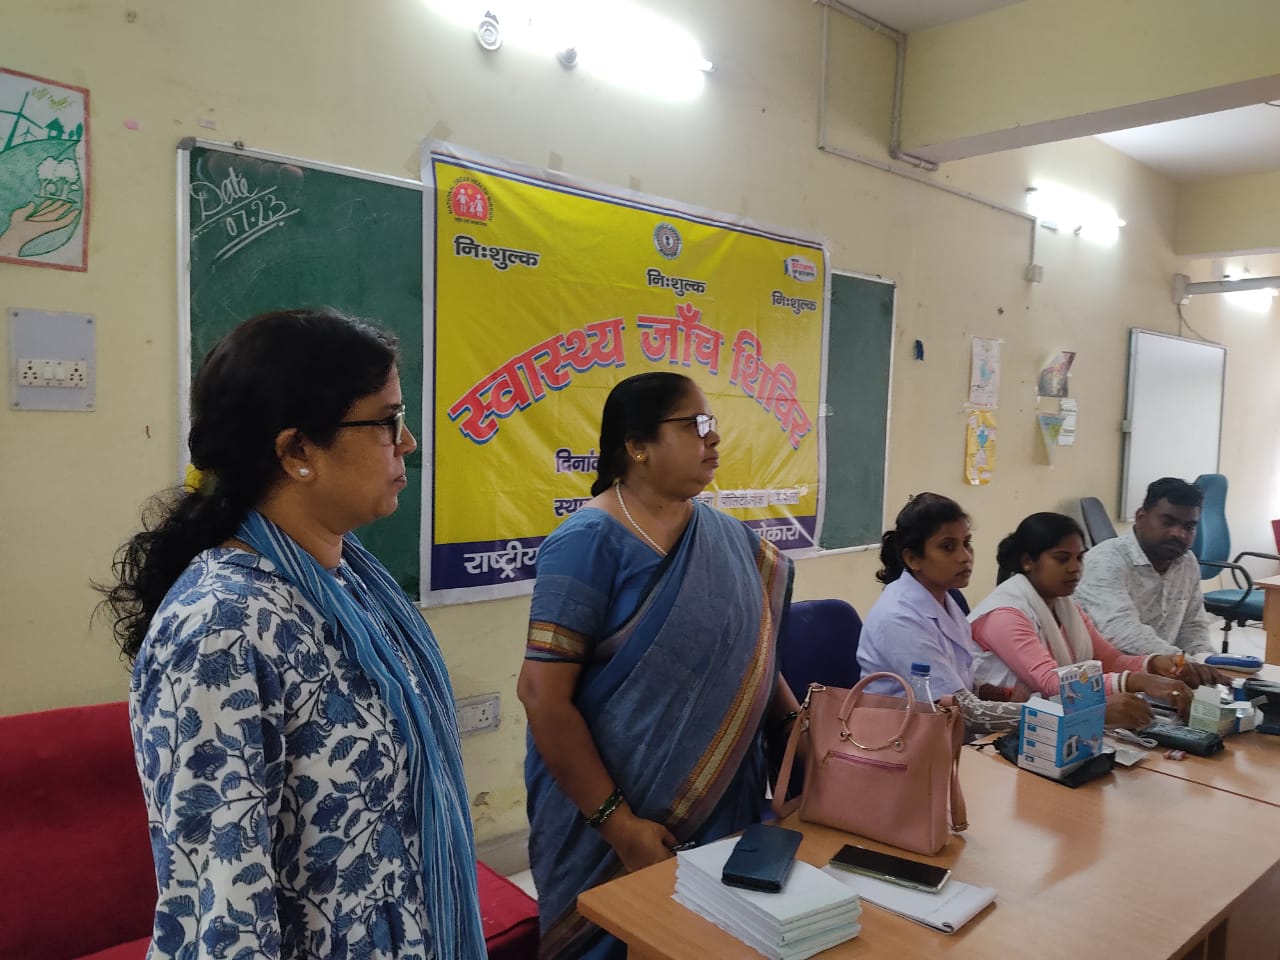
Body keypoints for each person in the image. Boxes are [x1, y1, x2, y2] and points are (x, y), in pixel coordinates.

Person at [98, 310, 485, 960]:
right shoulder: (223, 626)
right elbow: (223, 913)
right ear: (297, 451)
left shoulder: (347, 580)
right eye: (387, 421)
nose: (409, 442)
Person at [517, 372, 798, 960]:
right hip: (614, 821)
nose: (713, 438)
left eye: (712, 424)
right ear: (637, 446)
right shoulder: (587, 541)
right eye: (695, 425)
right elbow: (543, 695)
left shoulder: (730, 541)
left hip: (725, 797)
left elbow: (754, 659)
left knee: (715, 941)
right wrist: (619, 826)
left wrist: (801, 746)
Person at [969, 512, 1202, 730]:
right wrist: (1134, 681)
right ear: (1028, 561)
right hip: (999, 735)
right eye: (1062, 559)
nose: (1075, 568)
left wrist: (1154, 664)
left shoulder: (1066, 606)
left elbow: (1109, 659)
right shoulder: (1004, 614)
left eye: (1079, 558)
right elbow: (1050, 682)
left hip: (1052, 725)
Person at [856, 493, 1024, 734]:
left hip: (937, 737)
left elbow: (959, 683)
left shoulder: (946, 599)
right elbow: (960, 711)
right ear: (913, 558)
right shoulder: (898, 617)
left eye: (967, 543)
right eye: (947, 547)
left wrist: (1006, 695)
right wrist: (1043, 716)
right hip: (895, 743)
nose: (965, 557)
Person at [1075, 478, 1223, 674]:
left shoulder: (1187, 561)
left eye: (1189, 527)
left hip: (1164, 674)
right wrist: (1183, 662)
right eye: (1168, 522)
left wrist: (1206, 660)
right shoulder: (1104, 560)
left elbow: (1192, 625)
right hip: (1103, 678)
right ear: (1141, 517)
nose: (1178, 534)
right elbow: (1120, 631)